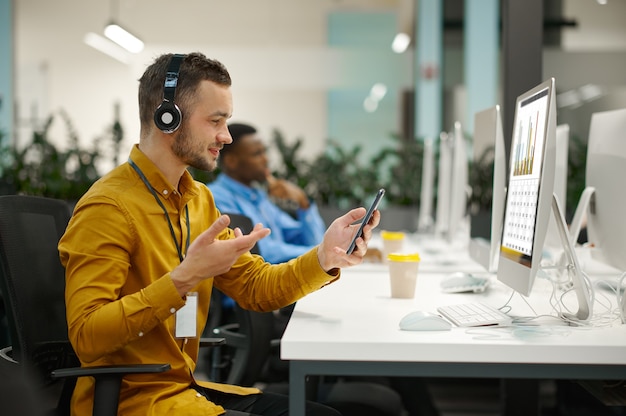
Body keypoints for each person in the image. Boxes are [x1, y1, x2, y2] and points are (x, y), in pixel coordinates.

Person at [58, 52, 379, 416]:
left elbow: (256, 287)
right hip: (133, 402)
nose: (225, 136)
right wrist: (184, 278)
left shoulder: (199, 199)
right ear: (169, 118)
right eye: (215, 121)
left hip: (184, 388)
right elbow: (87, 337)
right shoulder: (108, 207)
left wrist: (325, 257)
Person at [208, 122, 326, 264]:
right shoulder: (215, 197)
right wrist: (321, 252)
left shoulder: (259, 197)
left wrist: (303, 204)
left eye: (265, 152)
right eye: (257, 154)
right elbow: (259, 251)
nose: (266, 159)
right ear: (231, 161)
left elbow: (313, 240)